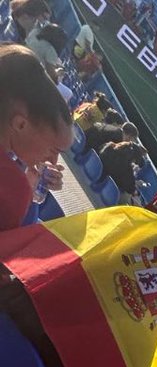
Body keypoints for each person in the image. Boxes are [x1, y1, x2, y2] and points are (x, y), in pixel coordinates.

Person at [0, 44, 73, 232]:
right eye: (53, 150)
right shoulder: (12, 187)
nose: (53, 161)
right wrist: (27, 194)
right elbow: (17, 243)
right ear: (20, 124)